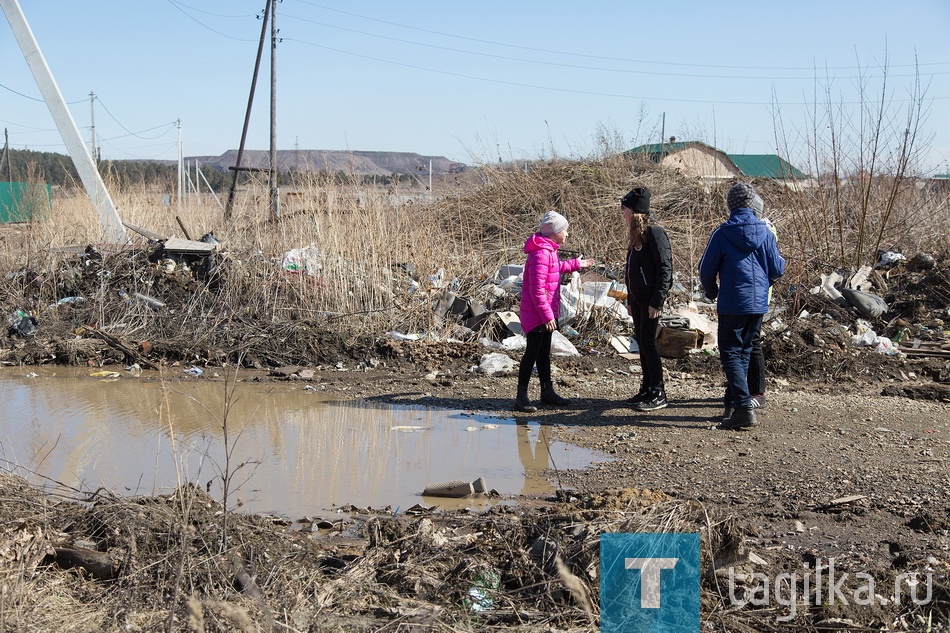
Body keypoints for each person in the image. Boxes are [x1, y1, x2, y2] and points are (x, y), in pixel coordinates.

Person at [699, 182, 785, 430]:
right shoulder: (766, 233)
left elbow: (706, 269)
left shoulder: (722, 233)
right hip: (757, 304)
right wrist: (764, 283)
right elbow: (778, 268)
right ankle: (735, 403)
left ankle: (744, 407)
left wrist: (712, 291)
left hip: (732, 301)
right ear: (752, 205)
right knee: (745, 351)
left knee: (730, 353)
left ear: (730, 206)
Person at [514, 210, 593, 413]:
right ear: (554, 232)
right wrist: (547, 316)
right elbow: (537, 290)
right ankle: (521, 397)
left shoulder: (548, 250)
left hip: (544, 311)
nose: (567, 233)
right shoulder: (541, 253)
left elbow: (555, 268)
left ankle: (547, 392)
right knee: (532, 353)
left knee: (543, 354)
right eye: (565, 230)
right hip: (537, 313)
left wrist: (577, 264)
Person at [621, 187, 673, 412]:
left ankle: (658, 391)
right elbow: (631, 270)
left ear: (634, 211)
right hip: (639, 300)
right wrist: (630, 300)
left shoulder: (655, 232)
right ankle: (646, 387)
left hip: (651, 301)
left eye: (624, 210)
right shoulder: (636, 234)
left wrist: (657, 301)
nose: (622, 214)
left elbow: (665, 269)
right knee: (642, 343)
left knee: (649, 344)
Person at [747, 192, 777, 410]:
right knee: (751, 341)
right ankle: (751, 390)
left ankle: (755, 391)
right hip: (760, 295)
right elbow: (776, 268)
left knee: (750, 342)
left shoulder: (762, 231)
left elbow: (774, 266)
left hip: (752, 296)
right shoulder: (768, 229)